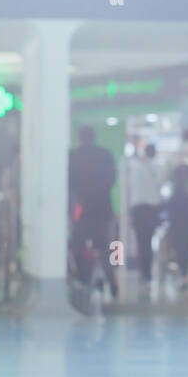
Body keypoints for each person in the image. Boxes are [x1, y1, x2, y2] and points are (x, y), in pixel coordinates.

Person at [69, 125, 119, 298]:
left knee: (77, 245)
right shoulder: (106, 155)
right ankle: (111, 281)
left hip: (82, 209)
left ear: (80, 138)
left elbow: (71, 183)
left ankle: (84, 279)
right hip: (103, 209)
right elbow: (112, 178)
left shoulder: (74, 157)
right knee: (106, 247)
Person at [128, 143, 165, 284]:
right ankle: (147, 271)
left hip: (137, 208)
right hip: (152, 208)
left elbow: (131, 187)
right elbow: (161, 182)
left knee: (140, 240)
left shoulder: (135, 167)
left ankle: (142, 270)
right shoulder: (157, 167)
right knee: (148, 240)